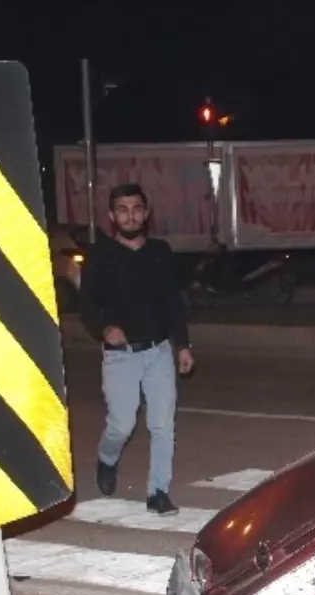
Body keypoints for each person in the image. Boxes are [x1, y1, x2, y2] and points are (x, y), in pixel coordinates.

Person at [78, 182, 194, 515]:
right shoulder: (99, 255)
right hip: (121, 357)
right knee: (122, 423)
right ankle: (106, 458)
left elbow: (172, 302)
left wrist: (182, 345)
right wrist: (105, 327)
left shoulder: (160, 251)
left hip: (158, 352)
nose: (131, 216)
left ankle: (158, 492)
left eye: (137, 209)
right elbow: (87, 305)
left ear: (146, 212)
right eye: (123, 210)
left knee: (162, 424)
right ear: (112, 216)